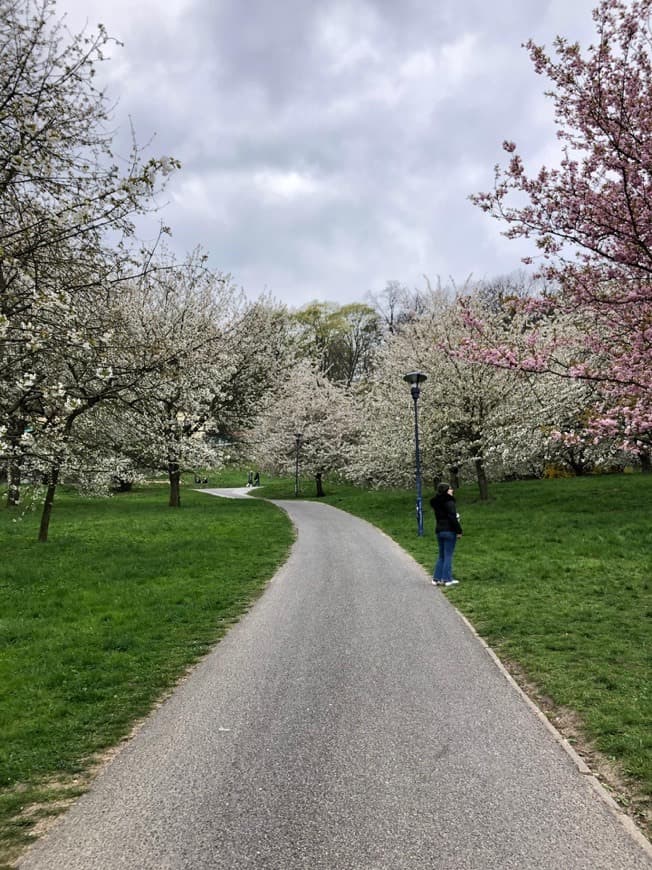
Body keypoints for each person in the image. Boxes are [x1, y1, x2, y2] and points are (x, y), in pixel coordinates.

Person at [430, 482, 463, 588]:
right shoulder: (449, 502)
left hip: (439, 530)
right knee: (448, 555)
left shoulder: (436, 503)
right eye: (450, 489)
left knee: (441, 556)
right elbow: (452, 517)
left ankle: (437, 578)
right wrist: (459, 531)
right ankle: (447, 579)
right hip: (449, 530)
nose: (452, 490)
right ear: (446, 491)